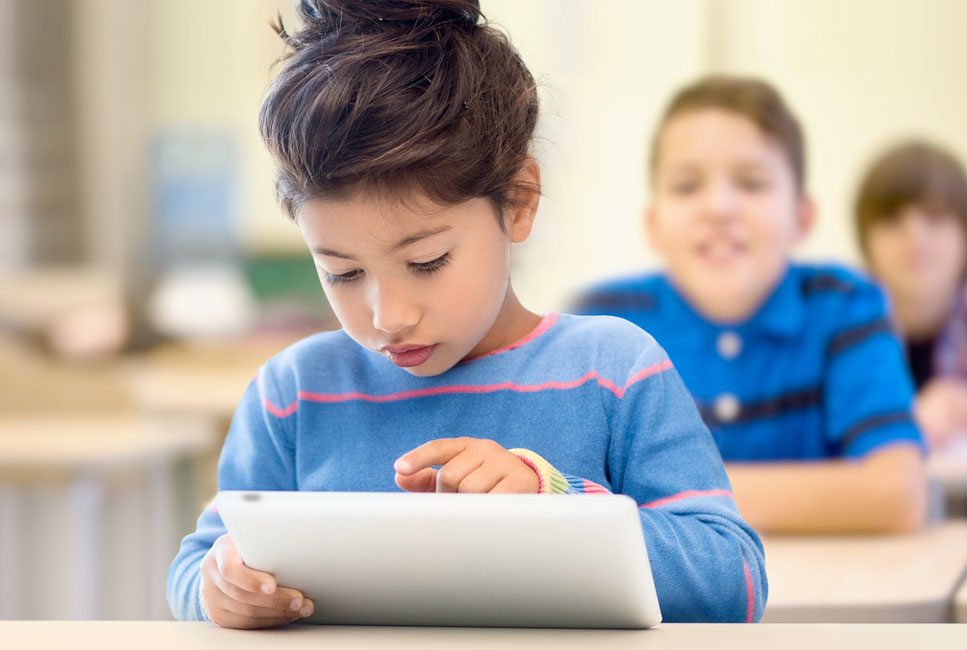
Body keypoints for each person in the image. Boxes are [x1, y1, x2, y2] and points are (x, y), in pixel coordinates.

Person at [166, 1, 766, 628]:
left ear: (519, 201)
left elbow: (734, 580)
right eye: (342, 273)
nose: (388, 315)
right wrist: (219, 591)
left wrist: (552, 502)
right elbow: (198, 567)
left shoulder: (612, 372)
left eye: (426, 261)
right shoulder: (292, 396)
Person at [573, 76, 927, 534]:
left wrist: (663, 498)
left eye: (752, 183)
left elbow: (896, 496)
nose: (719, 207)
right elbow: (566, 499)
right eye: (686, 186)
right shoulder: (604, 321)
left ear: (802, 217)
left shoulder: (845, 306)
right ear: (654, 224)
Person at [854, 141, 967, 450]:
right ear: (865, 239)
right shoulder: (846, 319)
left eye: (935, 217)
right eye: (891, 220)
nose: (915, 237)